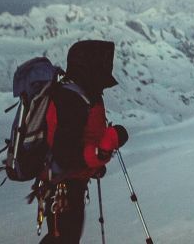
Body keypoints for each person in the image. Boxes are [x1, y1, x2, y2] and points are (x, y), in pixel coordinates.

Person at [40, 39, 129, 243]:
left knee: (63, 238)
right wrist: (105, 147)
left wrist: (93, 165)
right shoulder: (72, 99)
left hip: (66, 185)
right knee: (63, 239)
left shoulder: (79, 94)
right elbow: (66, 155)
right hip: (63, 188)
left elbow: (78, 142)